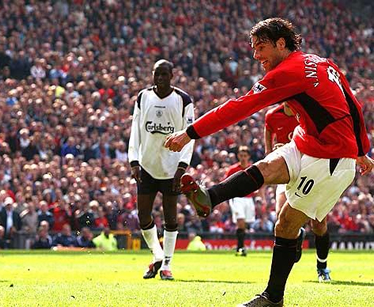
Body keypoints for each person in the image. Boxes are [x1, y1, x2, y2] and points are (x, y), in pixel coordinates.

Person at [164, 18, 373, 306]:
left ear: (281, 44)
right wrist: (364, 147)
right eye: (253, 48)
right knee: (266, 167)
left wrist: (190, 133)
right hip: (306, 140)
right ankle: (209, 199)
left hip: (333, 158)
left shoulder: (287, 72)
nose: (255, 56)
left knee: (285, 225)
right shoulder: (319, 61)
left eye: (261, 48)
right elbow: (353, 104)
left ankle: (273, 297)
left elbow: (238, 107)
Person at [128, 59, 195, 281]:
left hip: (171, 167)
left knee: (170, 217)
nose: (160, 79)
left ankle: (167, 264)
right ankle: (157, 255)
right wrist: (134, 161)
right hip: (147, 165)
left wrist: (182, 167)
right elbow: (135, 130)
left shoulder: (183, 100)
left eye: (164, 74)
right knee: (143, 215)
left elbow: (190, 136)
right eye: (157, 74)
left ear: (172, 76)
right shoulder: (143, 97)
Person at [265, 102, 333, 282]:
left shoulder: (310, 112)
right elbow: (268, 131)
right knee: (281, 214)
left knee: (319, 224)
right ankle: (296, 235)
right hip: (288, 170)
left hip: (312, 170)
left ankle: (322, 266)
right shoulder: (272, 115)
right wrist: (270, 152)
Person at [225, 146, 256, 256]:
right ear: (238, 156)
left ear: (248, 156)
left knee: (244, 224)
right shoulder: (232, 170)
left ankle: (239, 247)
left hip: (249, 199)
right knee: (241, 222)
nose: (243, 158)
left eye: (245, 156)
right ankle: (241, 247)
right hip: (237, 198)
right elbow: (225, 184)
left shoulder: (252, 169)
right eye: (241, 155)